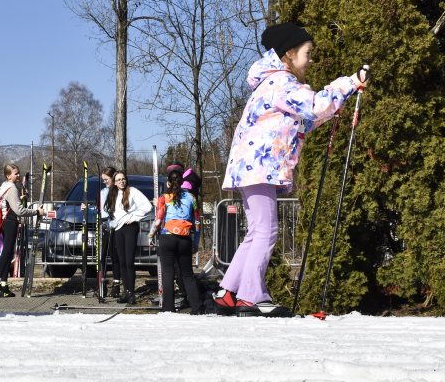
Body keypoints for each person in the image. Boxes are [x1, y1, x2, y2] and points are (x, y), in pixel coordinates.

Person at [217, 22, 367, 316]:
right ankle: (251, 295)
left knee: (257, 230)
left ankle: (229, 290)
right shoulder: (281, 82)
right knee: (267, 230)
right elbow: (312, 105)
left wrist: (335, 105)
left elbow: (305, 119)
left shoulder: (273, 83)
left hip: (254, 166)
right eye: (307, 53)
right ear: (289, 53)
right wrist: (348, 83)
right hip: (259, 166)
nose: (310, 60)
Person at [150, 168, 203, 313]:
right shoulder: (192, 198)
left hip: (167, 237)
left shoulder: (164, 198)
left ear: (168, 183)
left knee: (168, 273)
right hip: (184, 239)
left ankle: (168, 308)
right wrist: (195, 242)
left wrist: (151, 235)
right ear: (182, 182)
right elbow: (197, 223)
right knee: (187, 274)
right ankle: (197, 307)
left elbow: (158, 220)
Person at [0, 164, 43, 297]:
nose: (18, 175)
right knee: (7, 253)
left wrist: (20, 199)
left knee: (8, 254)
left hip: (5, 222)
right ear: (8, 175)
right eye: (15, 173)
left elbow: (10, 203)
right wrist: (37, 211)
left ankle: (3, 285)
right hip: (10, 222)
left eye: (19, 173)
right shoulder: (12, 188)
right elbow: (19, 210)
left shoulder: (4, 187)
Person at [107, 170, 152, 304]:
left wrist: (134, 217)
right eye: (119, 179)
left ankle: (131, 292)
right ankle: (125, 292)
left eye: (123, 179)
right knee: (122, 262)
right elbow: (111, 212)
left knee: (129, 261)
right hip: (118, 229)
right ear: (114, 182)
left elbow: (147, 206)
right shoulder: (113, 194)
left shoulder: (132, 191)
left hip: (130, 228)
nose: (121, 181)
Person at [98, 167, 121, 298]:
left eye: (107, 179)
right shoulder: (103, 192)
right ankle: (102, 283)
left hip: (116, 224)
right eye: (103, 180)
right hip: (104, 224)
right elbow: (98, 208)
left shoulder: (119, 192)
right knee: (102, 255)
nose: (105, 182)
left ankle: (116, 284)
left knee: (115, 256)